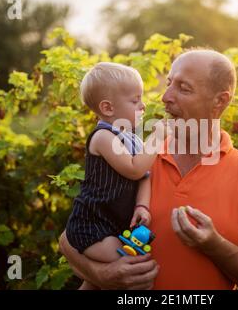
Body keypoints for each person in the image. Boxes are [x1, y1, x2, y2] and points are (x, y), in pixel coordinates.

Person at [59, 50, 238, 290]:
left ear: (220, 101)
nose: (166, 97)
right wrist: (103, 274)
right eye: (168, 84)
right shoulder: (135, 158)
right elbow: (69, 240)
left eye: (184, 88)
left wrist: (214, 245)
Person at [64, 62, 166, 290]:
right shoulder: (103, 137)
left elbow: (144, 176)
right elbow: (134, 169)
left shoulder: (133, 138)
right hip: (93, 224)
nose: (143, 105)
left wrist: (142, 206)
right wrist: (157, 137)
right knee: (131, 271)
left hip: (115, 223)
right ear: (108, 108)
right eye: (135, 100)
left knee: (96, 282)